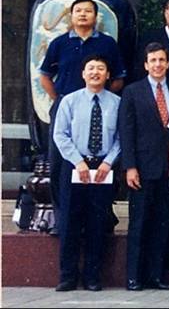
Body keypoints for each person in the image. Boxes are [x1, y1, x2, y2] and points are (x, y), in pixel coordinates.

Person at [39, 0, 127, 213]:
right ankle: (63, 218)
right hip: (66, 107)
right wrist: (60, 99)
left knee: (102, 167)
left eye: (88, 11)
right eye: (78, 11)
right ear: (71, 15)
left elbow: (118, 78)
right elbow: (45, 76)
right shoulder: (60, 43)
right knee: (60, 165)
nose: (83, 14)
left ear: (96, 16)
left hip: (100, 107)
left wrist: (102, 97)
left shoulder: (107, 43)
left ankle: (101, 219)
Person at [51, 55, 120, 292]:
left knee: (97, 223)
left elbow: (121, 137)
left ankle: (92, 277)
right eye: (91, 68)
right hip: (75, 165)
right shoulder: (69, 101)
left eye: (101, 68)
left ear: (108, 75)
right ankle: (67, 276)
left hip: (103, 168)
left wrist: (108, 162)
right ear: (83, 74)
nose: (95, 72)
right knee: (70, 222)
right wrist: (78, 161)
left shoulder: (117, 103)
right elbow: (60, 134)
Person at [119, 43, 169, 291]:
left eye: (161, 60)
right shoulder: (132, 92)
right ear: (146, 65)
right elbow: (126, 132)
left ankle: (156, 275)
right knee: (139, 224)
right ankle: (134, 276)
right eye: (153, 60)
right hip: (142, 169)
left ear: (168, 63)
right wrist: (130, 166)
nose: (157, 64)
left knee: (162, 224)